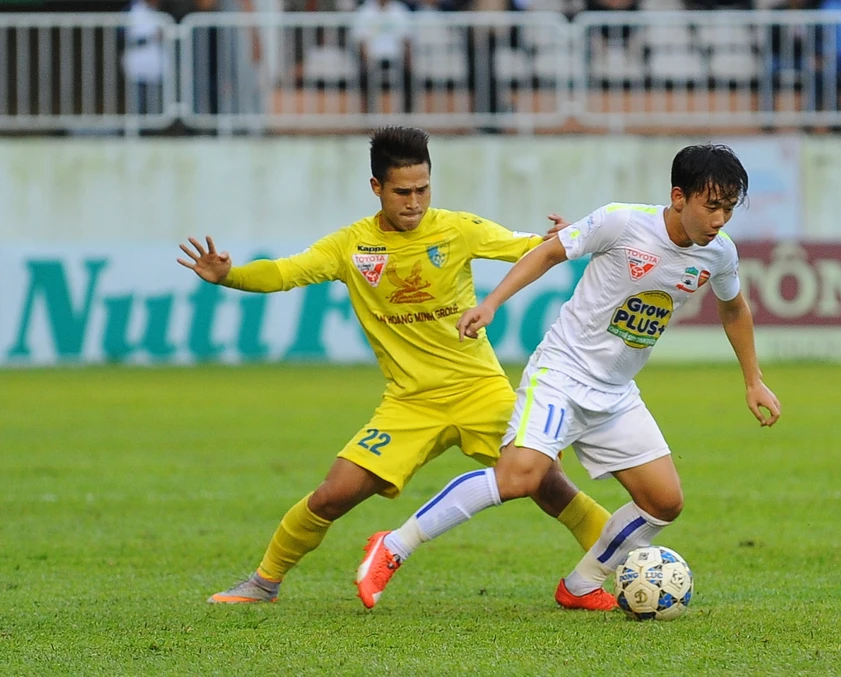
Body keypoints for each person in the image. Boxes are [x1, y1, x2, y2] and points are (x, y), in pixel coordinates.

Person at [177, 126, 611, 604]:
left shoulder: (457, 229)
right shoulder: (350, 245)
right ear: (376, 187)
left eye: (423, 189)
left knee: (548, 485)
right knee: (332, 495)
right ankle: (263, 583)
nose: (414, 202)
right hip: (409, 403)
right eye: (402, 192)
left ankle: (621, 571)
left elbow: (533, 248)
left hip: (480, 391)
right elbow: (285, 272)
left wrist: (566, 237)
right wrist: (230, 276)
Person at [355, 144, 782, 611]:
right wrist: (491, 303)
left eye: (728, 209)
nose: (720, 220)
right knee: (519, 477)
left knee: (664, 502)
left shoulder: (718, 254)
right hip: (561, 373)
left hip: (616, 393)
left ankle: (581, 585)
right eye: (711, 206)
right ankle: (394, 545)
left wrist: (753, 380)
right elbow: (548, 254)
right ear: (679, 197)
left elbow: (734, 309)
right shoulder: (623, 222)